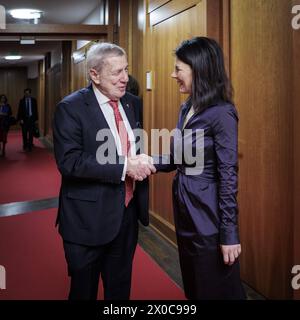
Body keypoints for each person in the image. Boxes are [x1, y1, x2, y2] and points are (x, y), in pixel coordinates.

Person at [52, 42, 155, 300]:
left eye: (126, 70)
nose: (125, 79)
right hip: (86, 220)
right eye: (116, 72)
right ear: (94, 74)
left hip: (126, 216)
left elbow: (132, 147)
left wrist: (140, 160)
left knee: (119, 291)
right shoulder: (70, 108)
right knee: (83, 292)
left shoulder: (132, 103)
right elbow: (70, 162)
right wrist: (124, 166)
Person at [154, 37, 246, 300]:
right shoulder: (187, 108)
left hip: (208, 215)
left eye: (178, 69)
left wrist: (229, 234)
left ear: (199, 69)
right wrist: (146, 161)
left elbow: (228, 175)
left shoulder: (222, 113)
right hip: (184, 206)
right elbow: (177, 158)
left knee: (215, 287)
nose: (173, 75)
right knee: (194, 284)